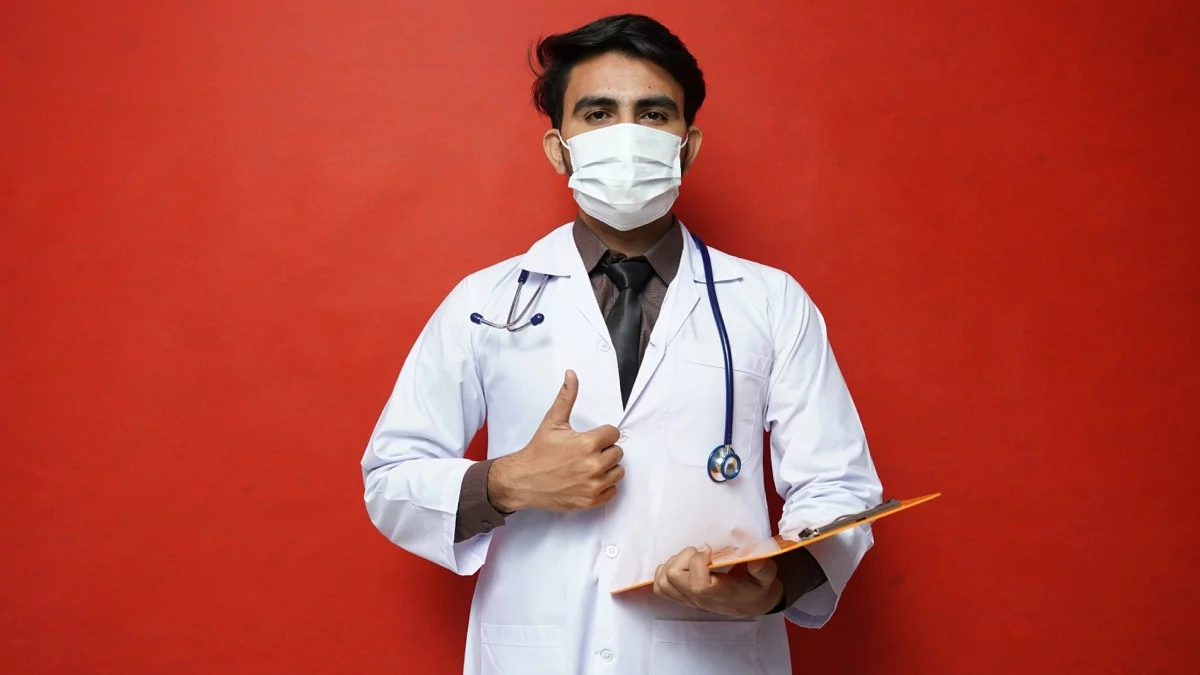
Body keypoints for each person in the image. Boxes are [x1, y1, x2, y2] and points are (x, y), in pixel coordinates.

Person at [361, 13, 883, 675]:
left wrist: (777, 585)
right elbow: (390, 476)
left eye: (653, 114)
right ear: (559, 148)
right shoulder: (484, 302)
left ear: (688, 145)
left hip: (709, 654)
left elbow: (840, 486)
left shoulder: (771, 301)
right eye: (599, 114)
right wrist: (504, 483)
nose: (627, 135)